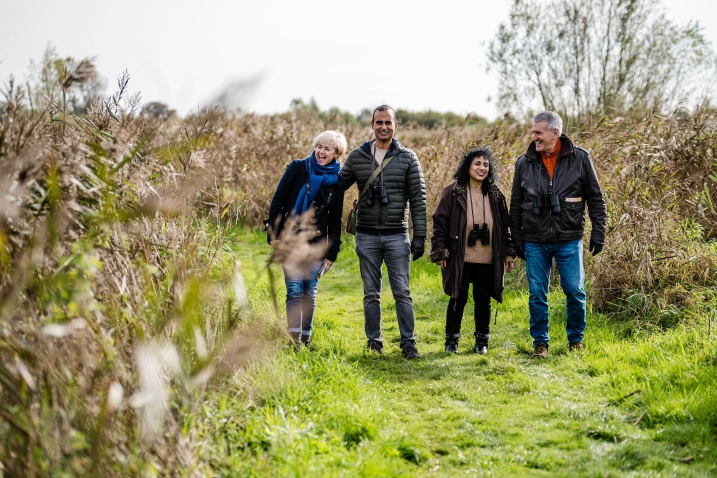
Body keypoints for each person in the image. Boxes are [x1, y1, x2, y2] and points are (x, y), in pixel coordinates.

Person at [509, 111, 606, 358]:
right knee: (537, 294)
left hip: (569, 238)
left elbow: (595, 197)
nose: (534, 137)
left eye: (538, 132)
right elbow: (516, 203)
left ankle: (576, 341)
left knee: (575, 290)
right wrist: (517, 239)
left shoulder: (581, 158)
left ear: (555, 133)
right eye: (533, 132)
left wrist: (599, 231)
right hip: (534, 239)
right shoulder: (524, 162)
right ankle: (540, 344)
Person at [340, 105, 427, 359]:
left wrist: (419, 236)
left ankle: (408, 343)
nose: (383, 127)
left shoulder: (408, 157)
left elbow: (419, 199)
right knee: (371, 293)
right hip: (366, 234)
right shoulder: (357, 156)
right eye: (379, 123)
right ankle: (374, 342)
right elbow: (336, 187)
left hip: (397, 235)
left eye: (388, 123)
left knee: (402, 291)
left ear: (396, 125)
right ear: (372, 125)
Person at [267, 130, 347, 348]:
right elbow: (278, 201)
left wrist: (332, 253)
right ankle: (293, 342)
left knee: (309, 293)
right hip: (289, 240)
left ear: (336, 154)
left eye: (327, 148)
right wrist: (273, 234)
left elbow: (335, 221)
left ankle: (305, 339)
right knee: (294, 290)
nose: (321, 151)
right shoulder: (297, 168)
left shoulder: (337, 183)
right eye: (319, 146)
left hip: (316, 245)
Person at [430, 148, 515, 354]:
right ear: (467, 166)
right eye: (477, 163)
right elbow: (439, 222)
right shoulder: (453, 192)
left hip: (488, 258)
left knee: (483, 299)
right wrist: (440, 250)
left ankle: (482, 343)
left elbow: (504, 227)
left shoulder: (496, 194)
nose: (482, 168)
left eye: (486, 165)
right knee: (458, 297)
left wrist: (508, 252)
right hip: (460, 256)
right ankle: (452, 341)